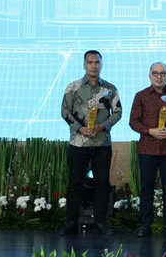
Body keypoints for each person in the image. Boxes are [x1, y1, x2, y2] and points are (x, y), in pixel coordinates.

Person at [59, 50, 122, 236]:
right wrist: (79, 129)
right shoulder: (73, 87)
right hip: (78, 144)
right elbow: (65, 111)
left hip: (102, 144)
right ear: (84, 65)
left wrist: (103, 126)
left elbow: (118, 112)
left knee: (102, 184)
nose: (93, 66)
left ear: (101, 64)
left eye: (97, 62)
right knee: (75, 184)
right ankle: (72, 222)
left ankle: (100, 223)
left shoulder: (110, 89)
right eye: (90, 62)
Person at [129, 62, 166, 237]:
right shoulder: (141, 96)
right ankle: (145, 226)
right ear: (149, 76)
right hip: (147, 149)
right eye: (155, 73)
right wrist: (150, 131)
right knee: (146, 189)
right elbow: (133, 121)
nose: (159, 76)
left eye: (162, 73)